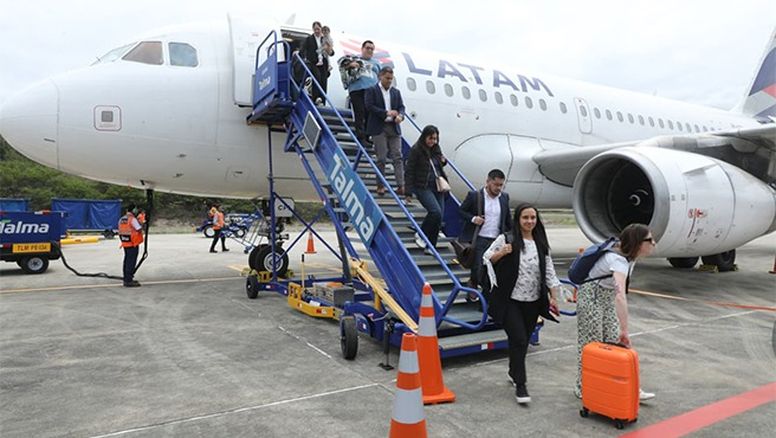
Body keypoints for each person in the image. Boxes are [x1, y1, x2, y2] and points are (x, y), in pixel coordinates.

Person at [482, 203, 560, 404]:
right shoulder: (506, 239)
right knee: (518, 339)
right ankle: (521, 384)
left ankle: (513, 370)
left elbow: (549, 271)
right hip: (510, 301)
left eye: (533, 218)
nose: (529, 221)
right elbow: (486, 258)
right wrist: (502, 253)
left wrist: (554, 297)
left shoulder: (541, 243)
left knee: (523, 339)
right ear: (518, 220)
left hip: (532, 301)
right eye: (525, 218)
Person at [574, 223, 656, 402]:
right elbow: (620, 297)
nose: (654, 243)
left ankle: (624, 387)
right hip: (592, 295)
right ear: (637, 242)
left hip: (605, 296)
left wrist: (621, 330)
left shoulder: (629, 258)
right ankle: (583, 388)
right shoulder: (618, 261)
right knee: (590, 345)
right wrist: (625, 329)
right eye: (649, 240)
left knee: (613, 343)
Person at [459, 169, 512, 294]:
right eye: (496, 184)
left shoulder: (504, 198)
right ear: (488, 182)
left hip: (497, 240)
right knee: (478, 269)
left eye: (501, 185)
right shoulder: (474, 196)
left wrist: (513, 235)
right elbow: (461, 211)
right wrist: (473, 219)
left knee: (492, 270)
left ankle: (485, 300)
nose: (498, 188)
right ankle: (473, 284)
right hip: (480, 239)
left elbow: (507, 219)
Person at [404, 125, 447, 253]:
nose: (433, 141)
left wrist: (444, 161)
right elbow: (409, 171)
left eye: (435, 139)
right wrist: (408, 191)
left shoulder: (436, 148)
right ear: (424, 137)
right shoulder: (416, 150)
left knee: (439, 217)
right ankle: (421, 233)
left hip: (438, 186)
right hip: (423, 186)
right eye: (430, 138)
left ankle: (431, 247)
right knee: (435, 211)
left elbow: (439, 164)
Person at [365, 66, 405, 196]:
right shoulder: (372, 90)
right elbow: (369, 106)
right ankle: (380, 185)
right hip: (379, 127)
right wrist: (385, 112)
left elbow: (401, 107)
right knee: (381, 158)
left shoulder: (395, 92)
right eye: (387, 78)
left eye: (391, 79)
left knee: (397, 157)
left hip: (393, 127)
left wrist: (400, 116)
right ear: (380, 77)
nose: (389, 81)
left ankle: (401, 185)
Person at [338, 40, 380, 145]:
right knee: (360, 112)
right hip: (357, 90)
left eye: (372, 49)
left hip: (371, 91)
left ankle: (367, 136)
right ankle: (361, 137)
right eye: (367, 48)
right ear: (362, 49)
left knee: (369, 114)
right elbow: (342, 64)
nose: (369, 50)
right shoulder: (354, 58)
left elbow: (380, 76)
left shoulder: (376, 63)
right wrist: (352, 64)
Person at [302, 21, 329, 105]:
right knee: (317, 77)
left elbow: (331, 52)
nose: (317, 31)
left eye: (318, 29)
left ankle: (323, 100)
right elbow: (303, 49)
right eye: (315, 29)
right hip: (313, 62)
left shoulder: (324, 39)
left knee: (324, 81)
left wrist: (328, 49)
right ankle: (316, 98)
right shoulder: (309, 39)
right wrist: (298, 53)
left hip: (323, 63)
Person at [118, 203, 144, 287]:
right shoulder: (132, 219)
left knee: (127, 261)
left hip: (125, 243)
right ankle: (128, 280)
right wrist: (142, 223)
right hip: (133, 243)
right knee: (131, 262)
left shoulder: (122, 219)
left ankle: (127, 278)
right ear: (133, 210)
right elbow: (138, 229)